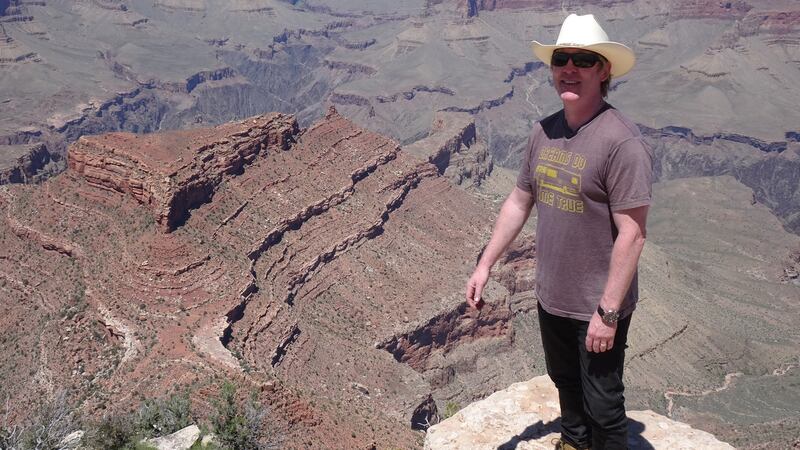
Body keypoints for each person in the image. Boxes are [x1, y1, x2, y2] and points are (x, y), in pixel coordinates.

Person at [465, 13, 653, 450]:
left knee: (604, 405)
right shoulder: (542, 131)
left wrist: (607, 313)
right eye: (560, 58)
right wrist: (485, 264)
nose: (569, 68)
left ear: (603, 70)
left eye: (583, 59)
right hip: (551, 294)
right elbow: (518, 201)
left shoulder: (622, 142)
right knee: (565, 383)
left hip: (597, 304)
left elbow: (633, 234)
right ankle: (572, 444)